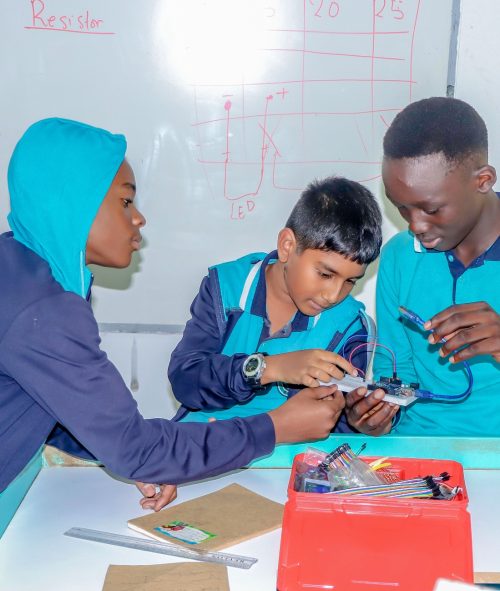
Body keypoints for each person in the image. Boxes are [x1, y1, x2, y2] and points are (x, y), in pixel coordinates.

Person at [0, 118, 346, 536]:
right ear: (74, 204)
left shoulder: (22, 270)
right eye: (126, 202)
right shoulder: (47, 310)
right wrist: (275, 427)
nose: (139, 218)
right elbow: (145, 435)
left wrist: (124, 454)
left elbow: (55, 408)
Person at [168, 176, 397, 439]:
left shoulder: (350, 326)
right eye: (325, 274)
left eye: (350, 281)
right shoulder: (226, 288)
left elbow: (334, 427)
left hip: (283, 462)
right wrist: (268, 368)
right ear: (288, 246)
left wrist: (361, 420)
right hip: (201, 444)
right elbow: (185, 381)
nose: (333, 295)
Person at [350, 97, 500, 436]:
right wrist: (376, 418)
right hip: (417, 451)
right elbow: (398, 374)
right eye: (401, 208)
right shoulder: (400, 256)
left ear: (483, 181)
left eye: (430, 209)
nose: (415, 225)